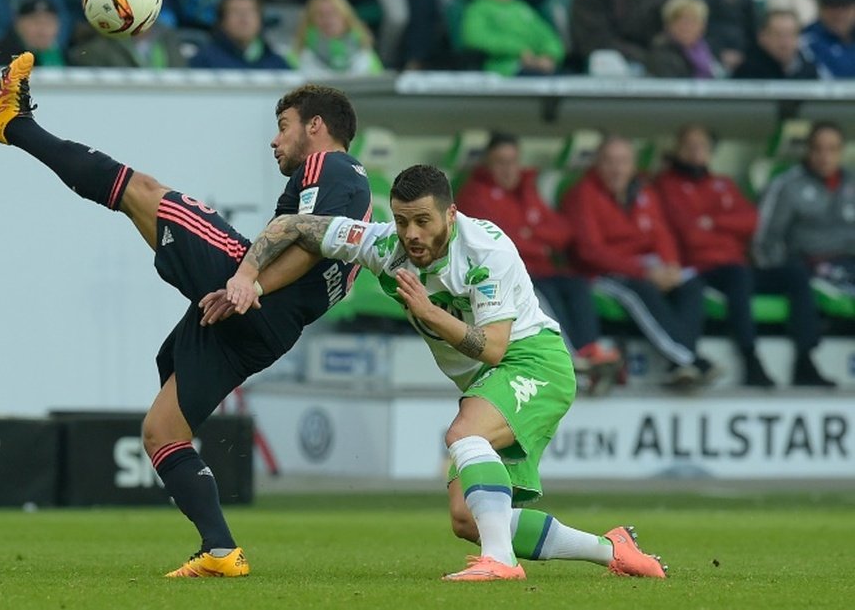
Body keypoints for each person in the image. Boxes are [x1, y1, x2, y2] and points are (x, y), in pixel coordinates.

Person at [0, 52, 371, 577]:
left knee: (140, 190)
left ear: (316, 127)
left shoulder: (333, 166)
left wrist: (246, 281)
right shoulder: (344, 192)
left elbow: (311, 242)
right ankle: (220, 550)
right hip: (269, 330)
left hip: (254, 300)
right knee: (162, 430)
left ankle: (14, 124)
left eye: (283, 127)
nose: (274, 141)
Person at [217, 164, 667, 582]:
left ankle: (501, 563)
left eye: (422, 221)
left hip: (534, 362)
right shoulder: (383, 245)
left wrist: (430, 313)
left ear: (450, 214)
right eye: (401, 219)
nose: (410, 233)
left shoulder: (486, 250)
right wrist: (247, 278)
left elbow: (493, 349)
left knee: (464, 435)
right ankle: (612, 551)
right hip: (487, 381)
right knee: (468, 519)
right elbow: (291, 226)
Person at [655, 124, 828, 387]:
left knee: (795, 273)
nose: (695, 152)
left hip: (734, 263)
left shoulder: (723, 183)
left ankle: (806, 358)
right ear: (677, 149)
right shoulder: (667, 185)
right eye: (688, 145)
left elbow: (751, 220)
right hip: (700, 269)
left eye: (701, 146)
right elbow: (689, 234)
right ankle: (750, 358)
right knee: (739, 275)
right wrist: (726, 227)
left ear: (711, 151)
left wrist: (713, 222)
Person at [455, 134, 621, 383]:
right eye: (500, 162)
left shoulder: (527, 190)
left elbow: (563, 233)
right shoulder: (474, 194)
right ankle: (572, 358)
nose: (508, 169)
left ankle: (590, 349)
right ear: (487, 164)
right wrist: (534, 235)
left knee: (576, 284)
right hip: (507, 274)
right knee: (542, 293)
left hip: (542, 268)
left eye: (513, 162)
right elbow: (497, 244)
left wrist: (529, 232)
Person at [561, 136, 714, 387]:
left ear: (632, 165)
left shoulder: (644, 191)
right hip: (600, 273)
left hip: (646, 268)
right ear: (597, 164)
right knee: (639, 291)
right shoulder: (582, 194)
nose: (616, 169)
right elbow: (590, 251)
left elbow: (662, 233)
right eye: (609, 162)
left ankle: (680, 364)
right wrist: (643, 271)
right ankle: (688, 359)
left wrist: (670, 265)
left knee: (690, 285)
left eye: (622, 162)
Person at [755, 121, 855, 331]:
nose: (825, 156)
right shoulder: (786, 185)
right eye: (818, 149)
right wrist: (781, 275)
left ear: (841, 151)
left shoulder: (851, 183)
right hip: (808, 267)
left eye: (832, 149)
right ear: (808, 150)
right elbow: (764, 239)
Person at [451, 0, 563, 76]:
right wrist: (518, 50)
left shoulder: (521, 7)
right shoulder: (478, 9)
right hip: (504, 69)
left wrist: (549, 55)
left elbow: (547, 36)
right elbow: (474, 37)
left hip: (538, 67)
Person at [290, 0, 383, 76]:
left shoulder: (365, 54)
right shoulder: (296, 56)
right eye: (320, 14)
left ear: (346, 17)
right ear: (310, 20)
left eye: (333, 12)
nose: (327, 19)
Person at [189, 0, 290, 70]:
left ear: (260, 19)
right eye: (235, 11)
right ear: (222, 21)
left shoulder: (278, 63)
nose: (243, 17)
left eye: (250, 11)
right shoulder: (204, 60)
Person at [645, 0, 723, 78]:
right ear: (668, 25)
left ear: (702, 26)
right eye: (680, 20)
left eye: (693, 21)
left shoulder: (708, 54)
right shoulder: (661, 56)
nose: (686, 27)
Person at [733, 9, 820, 79]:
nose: (784, 42)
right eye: (778, 35)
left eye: (790, 34)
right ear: (762, 37)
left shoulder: (809, 71)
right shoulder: (748, 71)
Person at [0, 0, 66, 67]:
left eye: (48, 23)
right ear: (18, 24)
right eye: (36, 23)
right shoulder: (0, 54)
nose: (42, 31)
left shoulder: (64, 55)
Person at [801, 0, 855, 78]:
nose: (839, 14)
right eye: (832, 7)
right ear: (821, 10)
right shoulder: (806, 39)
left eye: (845, 7)